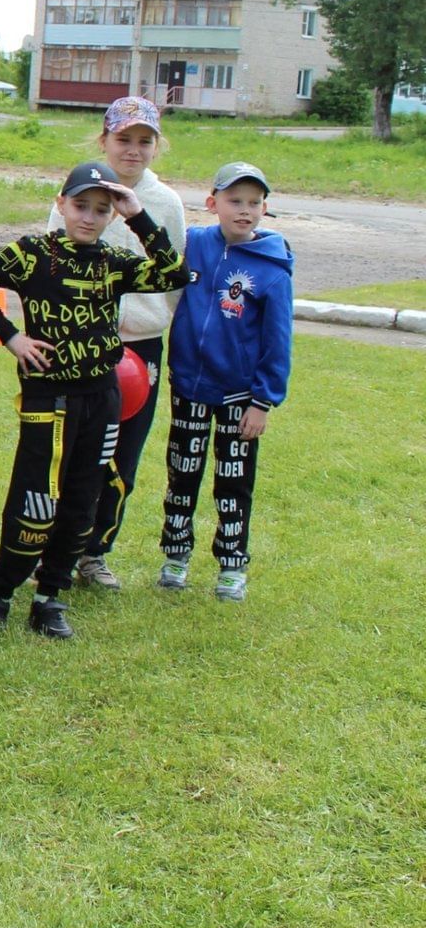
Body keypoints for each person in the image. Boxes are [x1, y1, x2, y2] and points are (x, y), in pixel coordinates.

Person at [0, 160, 187, 639]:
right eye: (80, 205)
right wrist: (11, 336)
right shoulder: (32, 253)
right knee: (35, 496)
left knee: (83, 497)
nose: (89, 216)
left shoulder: (113, 262)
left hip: (102, 396)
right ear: (61, 204)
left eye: (102, 210)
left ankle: (50, 597)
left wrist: (138, 215)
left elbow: (174, 272)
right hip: (48, 396)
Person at [47, 96, 186, 591]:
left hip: (138, 347)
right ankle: (52, 542)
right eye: (123, 139)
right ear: (103, 140)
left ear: (156, 145)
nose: (133, 149)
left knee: (121, 451)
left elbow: (173, 273)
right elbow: (51, 264)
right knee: (66, 448)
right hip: (79, 344)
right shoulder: (76, 188)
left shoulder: (166, 203)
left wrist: (146, 320)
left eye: (144, 141)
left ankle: (95, 550)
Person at [158, 162, 293, 601]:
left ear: (264, 209)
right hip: (190, 389)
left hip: (240, 396)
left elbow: (278, 338)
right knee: (182, 474)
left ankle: (232, 565)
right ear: (213, 203)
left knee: (232, 482)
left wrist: (263, 401)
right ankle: (175, 556)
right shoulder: (193, 244)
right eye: (235, 201)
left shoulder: (272, 267)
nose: (245, 210)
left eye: (254, 203)